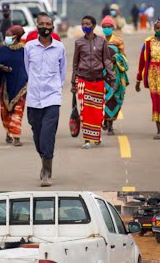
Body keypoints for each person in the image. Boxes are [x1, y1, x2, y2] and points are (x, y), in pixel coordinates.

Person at [24, 13, 66, 186]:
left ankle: (47, 172)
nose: (45, 26)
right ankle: (44, 161)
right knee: (37, 135)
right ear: (37, 26)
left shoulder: (59, 48)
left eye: (48, 24)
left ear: (53, 26)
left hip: (52, 98)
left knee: (48, 134)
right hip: (34, 98)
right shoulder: (29, 47)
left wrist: (55, 88)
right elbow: (27, 69)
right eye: (42, 24)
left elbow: (62, 72)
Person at [72, 15, 115, 149]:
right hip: (83, 81)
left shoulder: (102, 42)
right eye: (83, 24)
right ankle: (86, 140)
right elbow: (75, 64)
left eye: (88, 24)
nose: (85, 26)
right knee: (85, 111)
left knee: (97, 112)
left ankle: (96, 137)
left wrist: (112, 77)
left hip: (98, 81)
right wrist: (73, 82)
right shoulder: (79, 43)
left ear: (94, 26)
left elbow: (107, 61)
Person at [0, 25, 28, 146]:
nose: (6, 37)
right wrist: (3, 68)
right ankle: (9, 132)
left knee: (18, 110)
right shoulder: (2, 50)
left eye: (9, 35)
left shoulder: (24, 50)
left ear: (16, 37)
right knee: (6, 111)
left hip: (21, 85)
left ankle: (16, 136)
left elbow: (29, 67)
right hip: (6, 85)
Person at [100, 15, 128, 135]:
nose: (107, 28)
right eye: (104, 27)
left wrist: (115, 58)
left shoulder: (118, 41)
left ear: (113, 27)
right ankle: (106, 121)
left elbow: (124, 57)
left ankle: (110, 125)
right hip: (102, 74)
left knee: (114, 99)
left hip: (115, 75)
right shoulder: (99, 40)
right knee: (103, 99)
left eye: (109, 26)